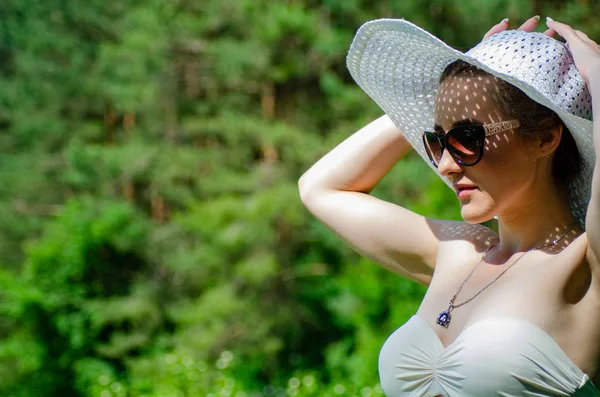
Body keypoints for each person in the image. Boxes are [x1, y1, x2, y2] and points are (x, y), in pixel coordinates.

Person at [298, 15, 600, 396]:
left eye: (466, 138)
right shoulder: (459, 250)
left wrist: (598, 75)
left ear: (545, 138)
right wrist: (458, 82)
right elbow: (320, 188)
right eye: (437, 140)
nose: (444, 165)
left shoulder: (586, 263)